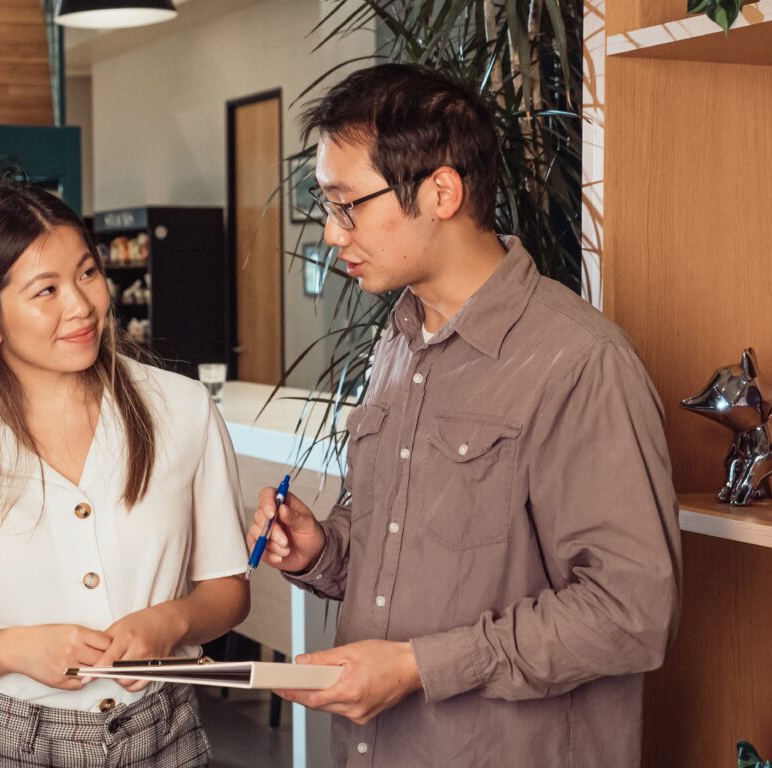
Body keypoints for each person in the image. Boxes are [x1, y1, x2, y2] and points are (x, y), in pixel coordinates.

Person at [246, 63, 681, 767]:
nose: (331, 234)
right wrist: (322, 549)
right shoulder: (399, 338)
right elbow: (409, 549)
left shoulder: (578, 362)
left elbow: (629, 613)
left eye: (347, 204)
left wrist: (420, 667)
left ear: (441, 191)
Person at [0, 183, 250, 768]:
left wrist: (171, 620)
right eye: (45, 290)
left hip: (165, 732)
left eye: (88, 274)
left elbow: (228, 589)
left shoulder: (184, 408)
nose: (81, 305)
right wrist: (16, 648)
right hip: (5, 741)